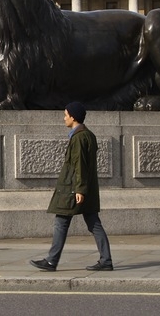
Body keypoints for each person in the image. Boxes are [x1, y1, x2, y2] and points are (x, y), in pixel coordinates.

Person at [30, 102, 113, 272]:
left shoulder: (78, 138)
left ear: (73, 117)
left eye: (66, 115)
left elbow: (79, 165)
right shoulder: (88, 135)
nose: (64, 118)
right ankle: (106, 259)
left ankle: (52, 261)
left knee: (61, 221)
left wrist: (79, 190)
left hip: (73, 189)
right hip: (85, 188)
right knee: (93, 223)